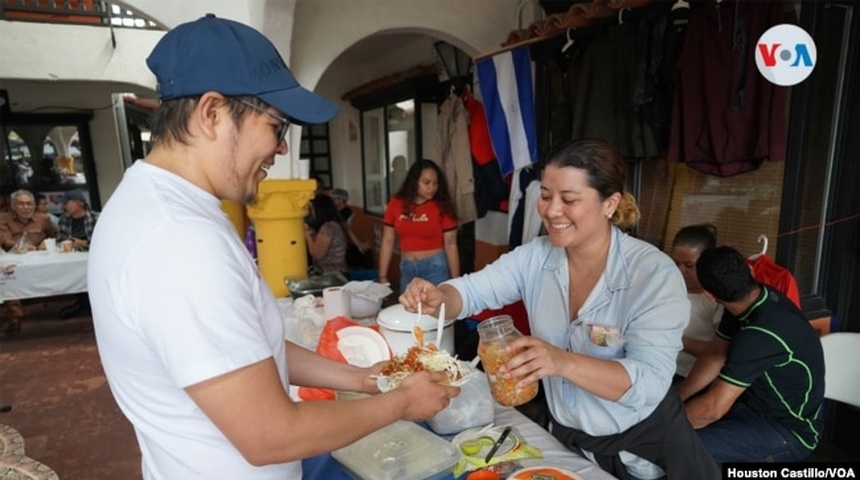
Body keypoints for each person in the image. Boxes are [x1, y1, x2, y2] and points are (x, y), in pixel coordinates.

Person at [87, 14, 458, 480]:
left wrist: (362, 379)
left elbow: (247, 348)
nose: (280, 149)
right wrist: (401, 402)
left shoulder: (162, 205)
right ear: (212, 113)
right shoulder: (178, 240)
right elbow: (271, 435)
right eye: (276, 126)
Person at [400, 139, 720, 480]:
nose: (551, 210)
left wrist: (560, 361)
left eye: (568, 199)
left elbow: (648, 383)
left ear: (610, 203)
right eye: (546, 195)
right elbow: (471, 291)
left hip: (643, 446)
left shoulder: (651, 274)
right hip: (568, 437)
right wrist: (439, 296)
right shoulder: (536, 257)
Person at [679, 246, 824, 464]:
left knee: (681, 451)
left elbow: (713, 409)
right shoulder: (749, 300)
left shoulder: (760, 334)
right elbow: (715, 355)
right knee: (671, 431)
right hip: (750, 406)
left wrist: (662, 424)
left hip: (787, 431)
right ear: (749, 270)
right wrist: (677, 398)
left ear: (709, 295)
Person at [378, 159, 459, 293]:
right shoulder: (396, 203)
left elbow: (450, 244)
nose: (431, 187)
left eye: (435, 183)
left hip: (435, 268)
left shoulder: (442, 206)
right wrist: (382, 276)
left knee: (436, 311)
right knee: (408, 311)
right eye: (426, 182)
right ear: (414, 181)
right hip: (407, 268)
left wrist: (456, 282)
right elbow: (387, 240)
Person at [669, 224, 722, 380]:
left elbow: (718, 352)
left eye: (689, 265)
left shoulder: (716, 299)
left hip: (691, 376)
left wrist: (674, 339)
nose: (680, 271)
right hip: (661, 369)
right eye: (676, 263)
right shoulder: (666, 288)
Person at [0, 189, 58, 334]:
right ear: (13, 206)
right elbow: (5, 240)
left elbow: (55, 236)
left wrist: (46, 243)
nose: (26, 207)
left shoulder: (43, 219)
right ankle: (15, 319)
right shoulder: (2, 219)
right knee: (8, 279)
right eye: (21, 204)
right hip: (14, 261)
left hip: (40, 262)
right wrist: (24, 247)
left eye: (29, 204)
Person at [56, 190, 99, 318]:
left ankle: (88, 304)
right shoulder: (64, 219)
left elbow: (104, 242)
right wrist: (67, 243)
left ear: (79, 203)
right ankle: (83, 303)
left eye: (66, 203)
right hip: (71, 261)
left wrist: (85, 244)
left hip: (92, 260)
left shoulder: (97, 218)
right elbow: (59, 241)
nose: (63, 207)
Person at [305, 193, 348, 274]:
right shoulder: (331, 225)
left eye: (313, 209)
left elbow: (317, 254)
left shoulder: (328, 228)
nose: (312, 213)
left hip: (331, 275)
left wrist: (308, 236)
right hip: (332, 273)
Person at [330, 187, 372, 270]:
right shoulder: (336, 211)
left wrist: (358, 244)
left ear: (341, 199)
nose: (333, 201)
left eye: (335, 199)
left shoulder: (346, 212)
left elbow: (345, 227)